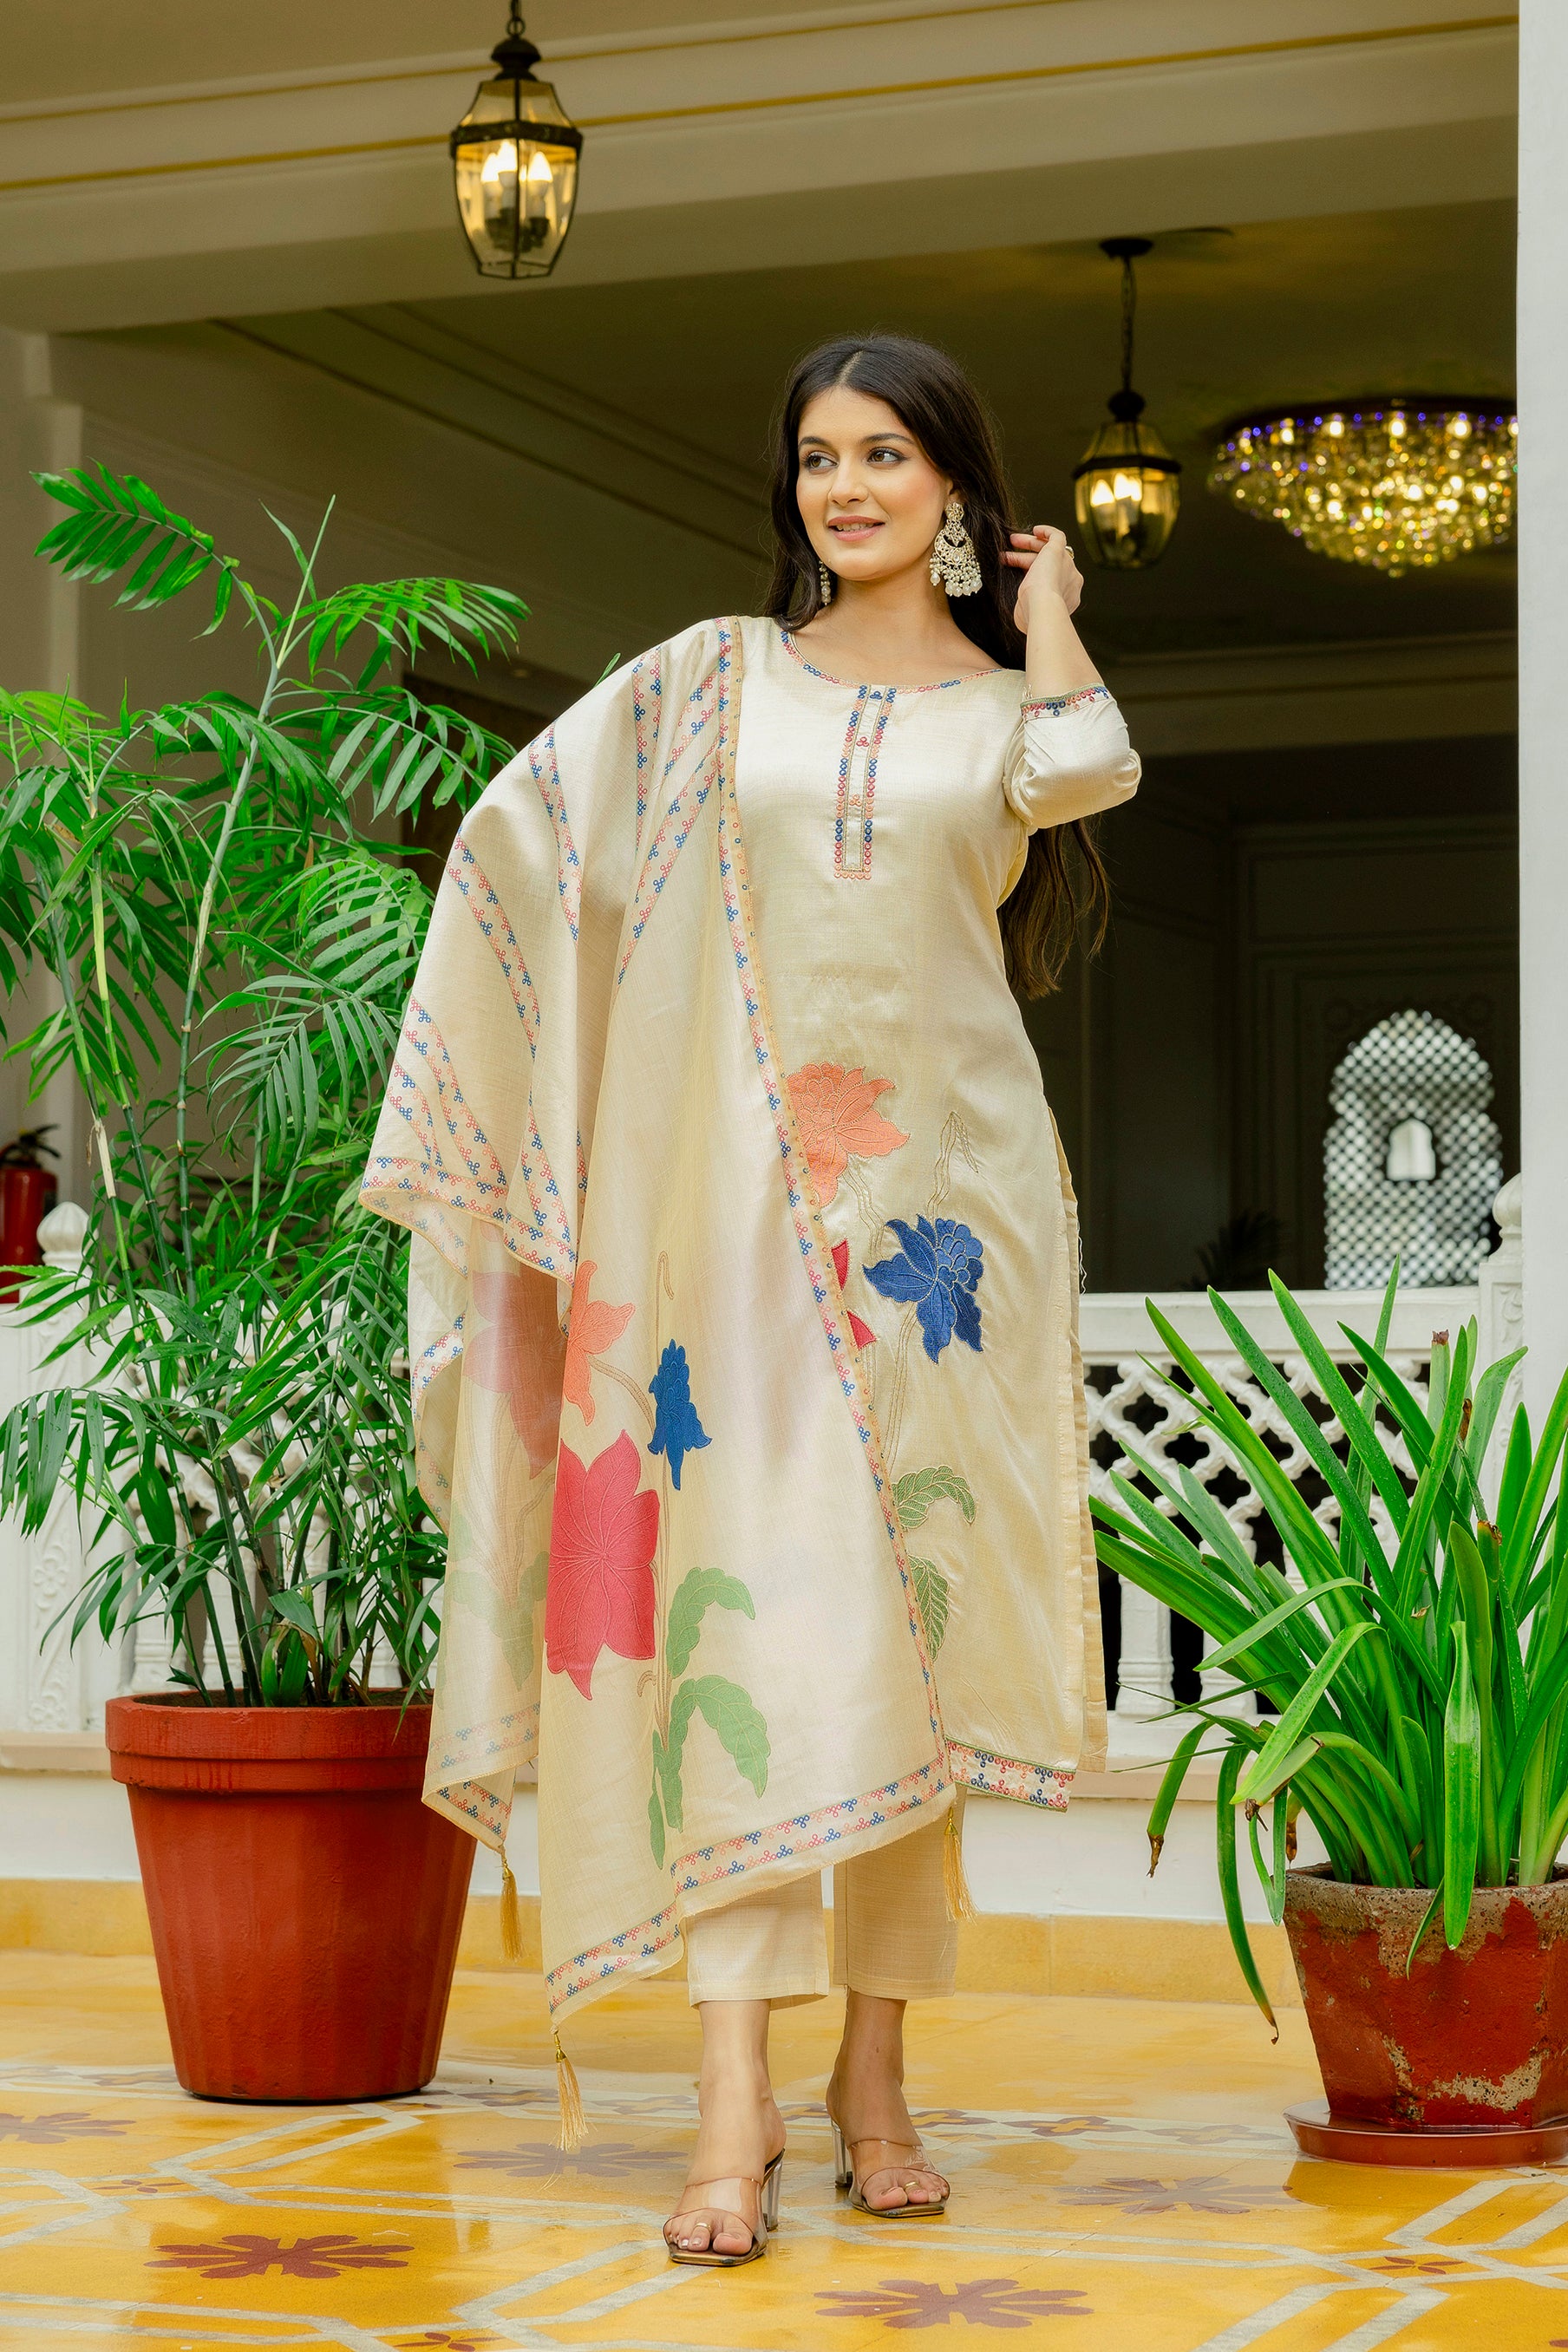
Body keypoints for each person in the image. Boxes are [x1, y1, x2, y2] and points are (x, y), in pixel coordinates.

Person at [361, 333, 1140, 2269]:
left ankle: (870, 2071)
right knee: (750, 1646)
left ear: (957, 487)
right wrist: (552, 1123)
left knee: (908, 1644)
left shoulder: (1001, 709)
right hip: (726, 1245)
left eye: (886, 456)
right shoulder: (710, 684)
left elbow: (1088, 765)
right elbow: (515, 841)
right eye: (816, 459)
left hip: (947, 1249)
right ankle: (731, 2097)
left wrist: (1043, 612)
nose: (846, 489)